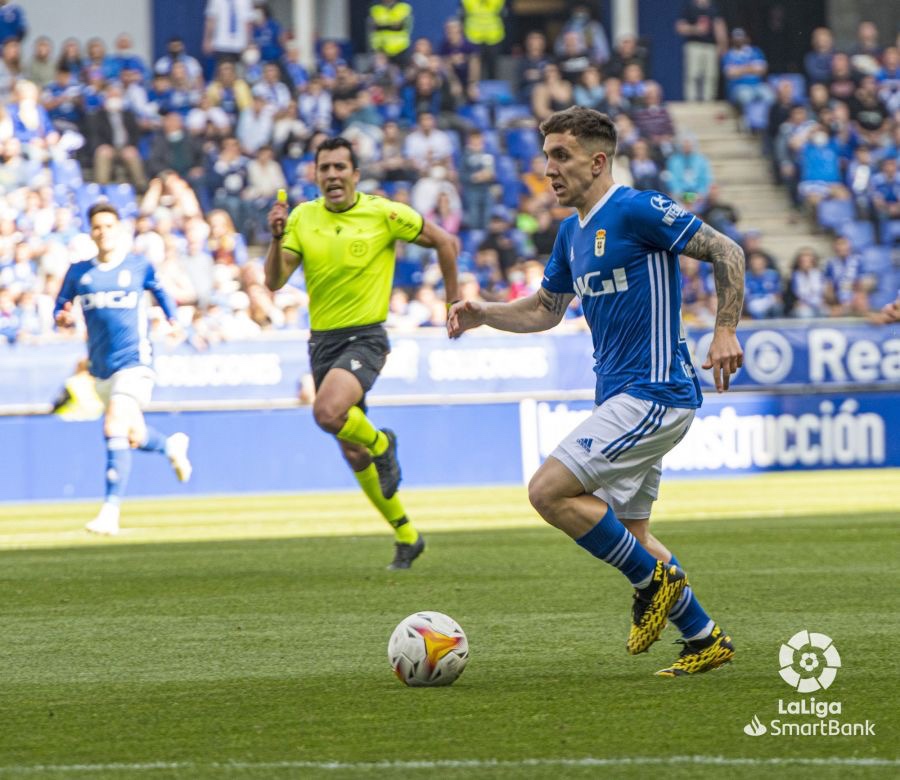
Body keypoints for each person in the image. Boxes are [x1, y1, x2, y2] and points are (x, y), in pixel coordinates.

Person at [448, 107, 745, 676]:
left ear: (598, 159)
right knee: (632, 535)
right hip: (621, 399)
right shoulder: (571, 232)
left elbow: (726, 251)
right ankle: (704, 637)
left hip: (655, 391)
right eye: (546, 159)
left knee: (548, 492)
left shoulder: (637, 208)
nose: (549, 171)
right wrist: (485, 312)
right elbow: (544, 310)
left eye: (561, 157)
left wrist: (725, 327)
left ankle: (654, 584)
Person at [265, 137, 459, 570]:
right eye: (324, 168)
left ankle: (382, 442)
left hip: (365, 337)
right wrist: (276, 238)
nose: (332, 175)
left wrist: (453, 304)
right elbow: (275, 282)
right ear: (316, 176)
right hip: (322, 343)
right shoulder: (301, 217)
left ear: (355, 174)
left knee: (327, 412)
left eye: (340, 167)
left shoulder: (384, 213)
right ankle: (408, 535)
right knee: (351, 451)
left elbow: (446, 243)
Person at [53, 203, 193, 536]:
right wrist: (61, 316)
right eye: (97, 227)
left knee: (113, 423)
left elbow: (159, 290)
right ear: (91, 233)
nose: (103, 232)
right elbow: (60, 305)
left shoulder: (138, 266)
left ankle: (110, 512)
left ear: (119, 230)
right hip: (101, 368)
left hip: (135, 363)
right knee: (131, 435)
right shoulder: (79, 272)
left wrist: (173, 320)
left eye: (108, 226)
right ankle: (170, 446)